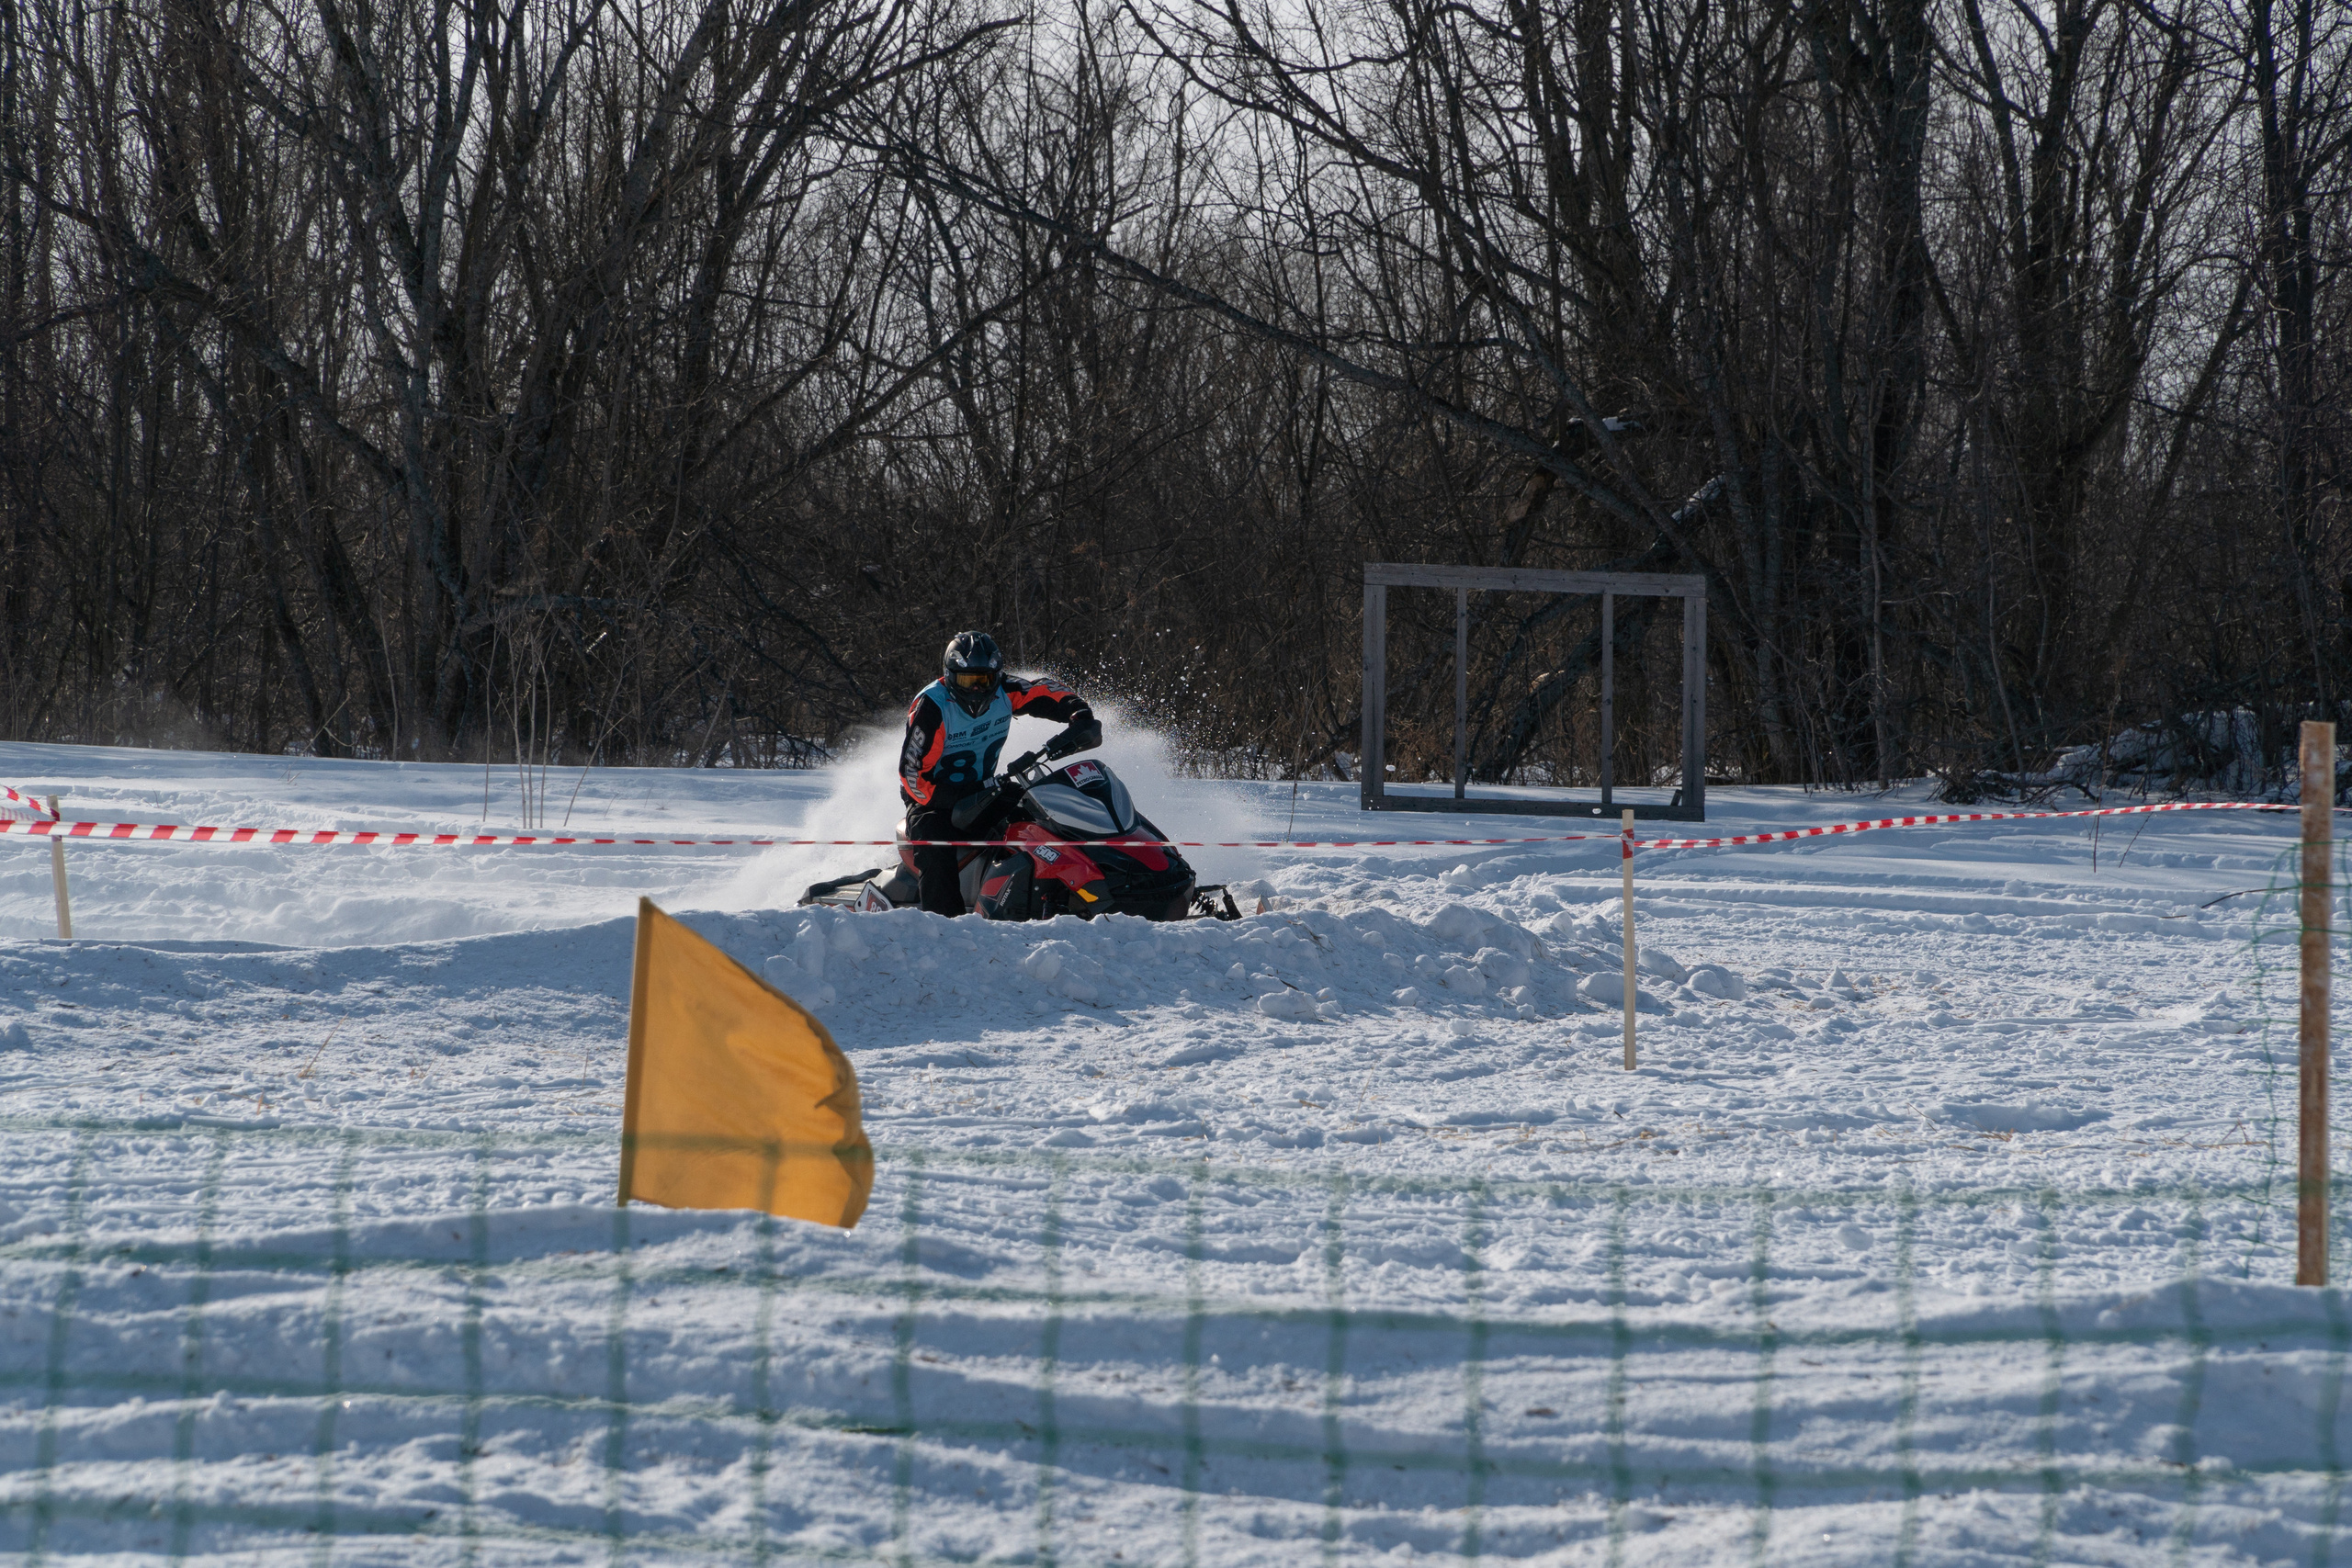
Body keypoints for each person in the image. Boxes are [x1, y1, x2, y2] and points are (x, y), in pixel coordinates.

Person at [899, 632, 1101, 915]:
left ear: (997, 676)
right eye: (968, 681)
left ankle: (1080, 890)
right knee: (934, 844)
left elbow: (1045, 690)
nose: (977, 690)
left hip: (985, 789)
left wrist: (1079, 713)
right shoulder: (932, 706)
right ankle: (944, 925)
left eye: (984, 680)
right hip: (932, 798)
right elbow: (912, 775)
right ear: (950, 676)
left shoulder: (1005, 689)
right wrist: (955, 797)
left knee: (1042, 807)